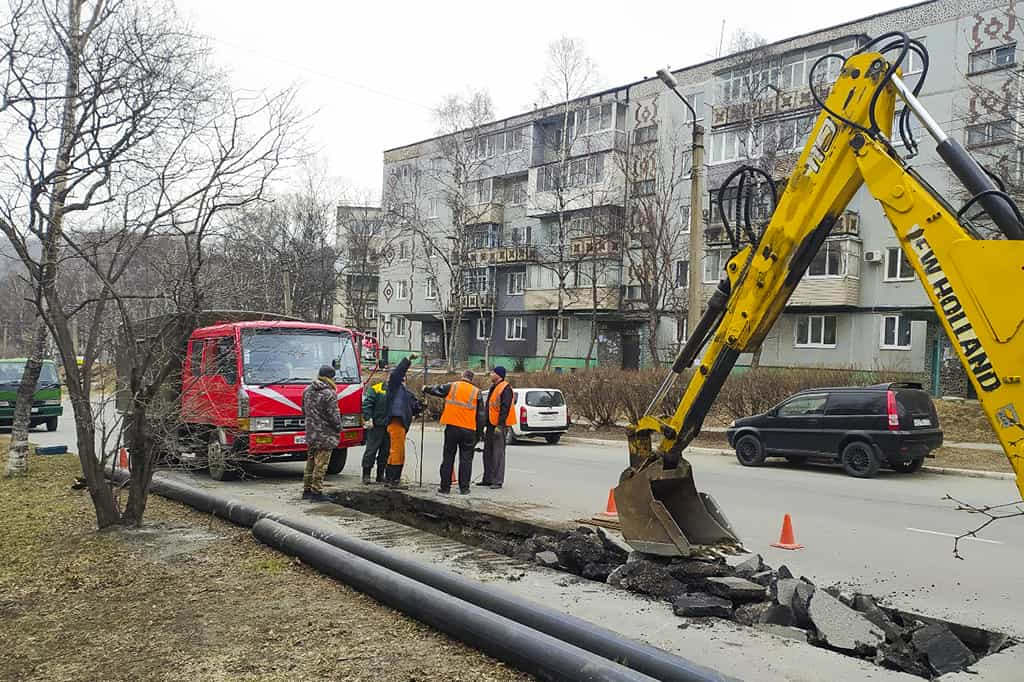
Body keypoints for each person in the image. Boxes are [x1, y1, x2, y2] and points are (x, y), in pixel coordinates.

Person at [423, 370, 482, 495]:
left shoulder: (453, 386)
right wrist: (479, 434)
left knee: (448, 457)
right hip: (469, 429)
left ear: (462, 376)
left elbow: (437, 389)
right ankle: (464, 488)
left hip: (452, 427)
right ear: (472, 379)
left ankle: (445, 487)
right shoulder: (477, 392)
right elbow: (481, 415)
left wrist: (426, 389)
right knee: (466, 459)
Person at [302, 365, 344, 501]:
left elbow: (304, 411)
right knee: (321, 464)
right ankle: (317, 493)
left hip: (311, 433)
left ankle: (306, 490)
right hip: (325, 434)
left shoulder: (307, 390)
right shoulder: (329, 393)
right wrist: (339, 428)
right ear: (330, 378)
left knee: (310, 462)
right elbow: (334, 416)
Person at [383, 353, 422, 489]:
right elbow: (395, 375)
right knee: (396, 452)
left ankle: (392, 479)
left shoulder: (407, 393)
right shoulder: (394, 388)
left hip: (402, 424)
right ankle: (392, 480)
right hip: (396, 421)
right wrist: (407, 360)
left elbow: (414, 409)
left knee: (398, 452)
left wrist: (422, 405)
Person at [480, 366, 515, 489]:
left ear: (499, 375)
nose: (490, 374)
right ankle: (487, 478)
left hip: (499, 425)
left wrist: (500, 425)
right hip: (490, 424)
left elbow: (505, 408)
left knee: (498, 453)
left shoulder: (505, 388)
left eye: (493, 372)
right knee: (487, 452)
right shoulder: (494, 387)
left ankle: (497, 480)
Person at [360, 377, 389, 484]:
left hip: (389, 426)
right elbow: (367, 404)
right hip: (376, 426)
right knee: (371, 450)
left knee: (385, 452)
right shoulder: (376, 389)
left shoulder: (398, 391)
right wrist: (368, 418)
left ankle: (380, 475)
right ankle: (366, 474)